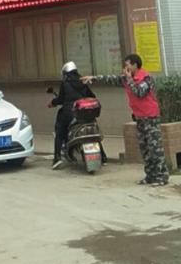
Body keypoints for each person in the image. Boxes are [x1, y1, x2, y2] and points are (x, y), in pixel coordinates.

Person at [84, 54, 169, 186]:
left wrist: (129, 79)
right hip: (139, 117)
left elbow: (139, 92)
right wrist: (93, 78)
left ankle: (161, 176)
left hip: (150, 117)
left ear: (135, 65)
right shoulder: (127, 78)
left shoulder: (146, 78)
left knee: (155, 148)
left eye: (128, 65)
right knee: (145, 148)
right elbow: (110, 79)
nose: (125, 68)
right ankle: (150, 175)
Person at [48, 61, 102, 170]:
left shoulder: (65, 83)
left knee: (60, 132)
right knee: (92, 132)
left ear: (65, 72)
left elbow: (61, 99)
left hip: (70, 112)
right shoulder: (82, 81)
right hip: (85, 113)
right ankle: (103, 157)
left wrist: (53, 102)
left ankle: (57, 158)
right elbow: (92, 95)